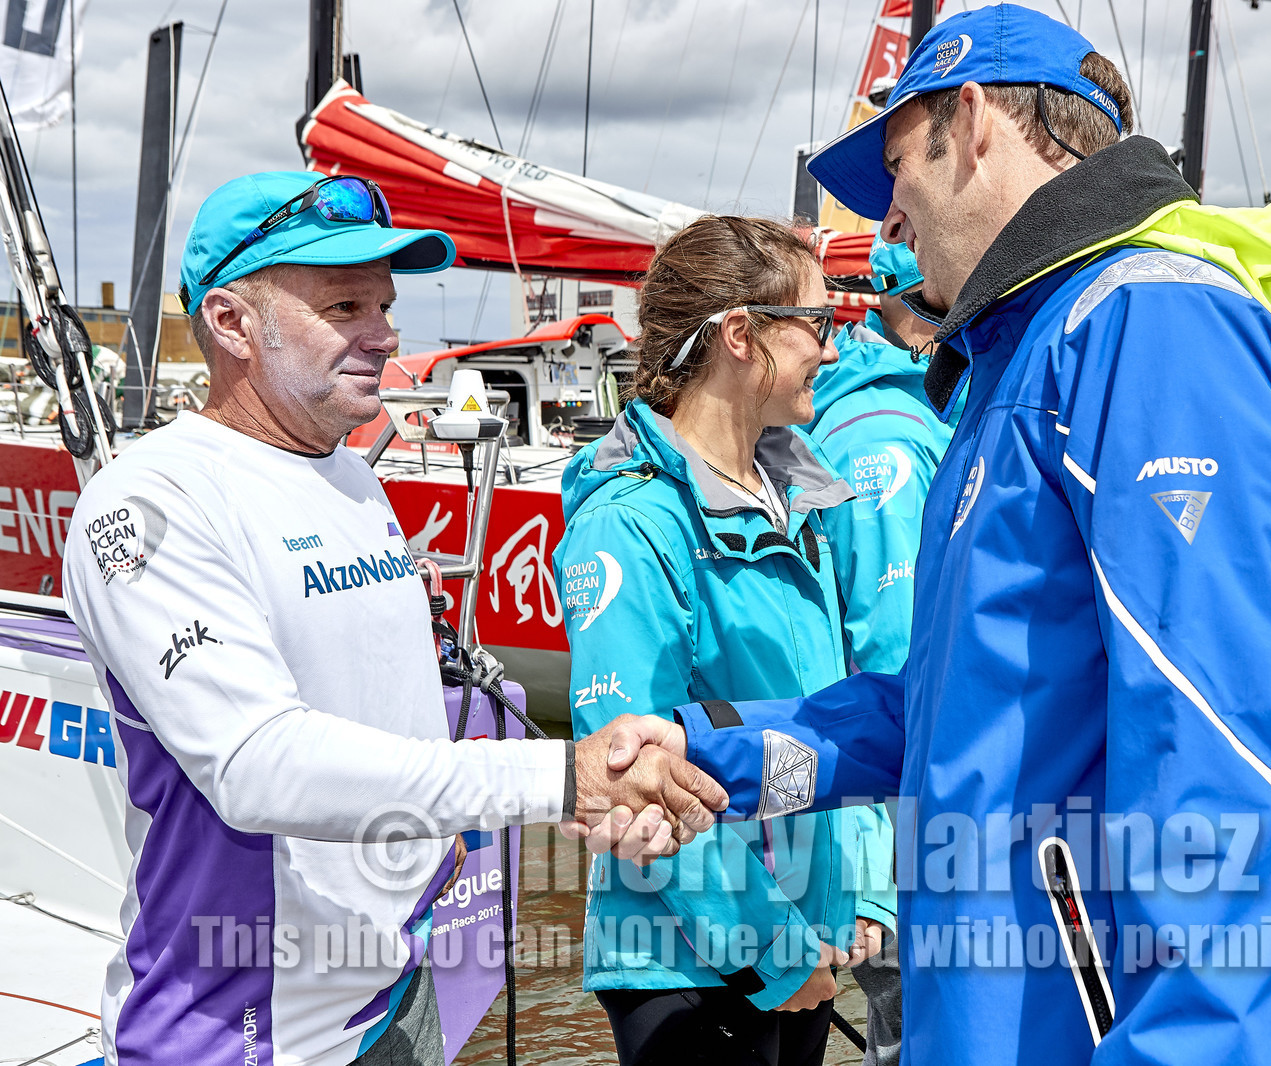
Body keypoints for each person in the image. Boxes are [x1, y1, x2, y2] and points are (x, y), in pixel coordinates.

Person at [584, 6, 1271, 1064]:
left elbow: (1228, 759)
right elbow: (943, 712)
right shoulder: (1030, 358)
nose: (889, 223)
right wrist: (705, 752)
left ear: (971, 122)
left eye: (894, 171)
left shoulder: (1149, 330)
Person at [60, 171, 727, 1066]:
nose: (384, 334)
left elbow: (382, 709)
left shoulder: (350, 475)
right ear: (231, 323)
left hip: (395, 997)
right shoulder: (150, 504)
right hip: (237, 1032)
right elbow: (259, 765)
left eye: (384, 304)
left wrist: (461, 837)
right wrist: (562, 777)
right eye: (345, 305)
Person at [554, 214, 894, 1066]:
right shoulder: (630, 524)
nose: (833, 346)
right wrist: (774, 954)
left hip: (801, 938)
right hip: (691, 961)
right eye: (816, 322)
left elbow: (833, 710)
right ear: (740, 335)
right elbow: (635, 778)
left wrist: (865, 891)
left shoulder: (799, 497)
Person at [805, 235, 946, 1066]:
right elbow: (897, 659)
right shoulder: (885, 442)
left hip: (888, 814)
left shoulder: (904, 410)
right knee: (914, 1030)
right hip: (904, 819)